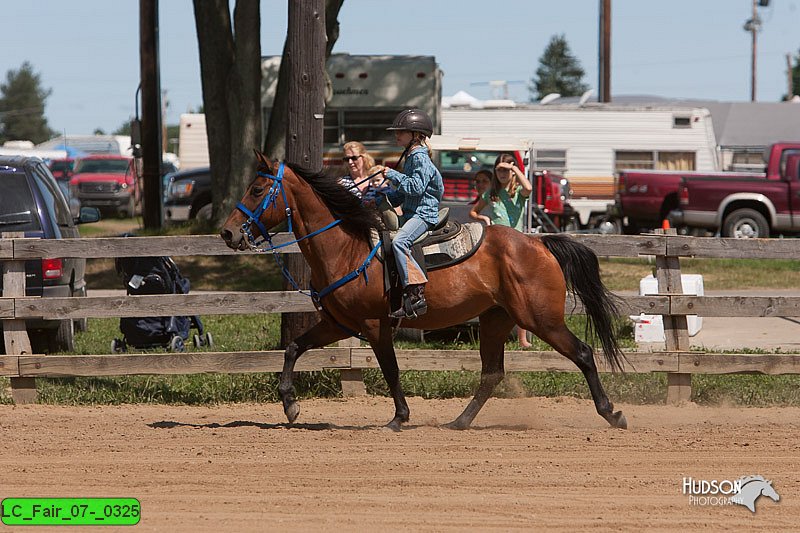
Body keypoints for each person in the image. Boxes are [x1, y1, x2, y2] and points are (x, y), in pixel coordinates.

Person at [374, 108, 444, 319]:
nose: (397, 135)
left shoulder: (420, 158)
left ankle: (416, 293)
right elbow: (406, 194)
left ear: (416, 135)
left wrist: (393, 174)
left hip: (424, 215)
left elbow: (415, 188)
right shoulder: (411, 157)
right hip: (412, 210)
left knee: (399, 242)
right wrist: (383, 199)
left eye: (401, 132)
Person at [469, 153, 534, 347]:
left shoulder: (518, 192)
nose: (503, 173)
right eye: (499, 170)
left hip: (517, 244)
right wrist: (483, 219)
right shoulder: (492, 193)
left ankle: (523, 337)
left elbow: (529, 187)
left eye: (506, 170)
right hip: (497, 244)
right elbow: (474, 211)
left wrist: (514, 168)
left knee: (520, 292)